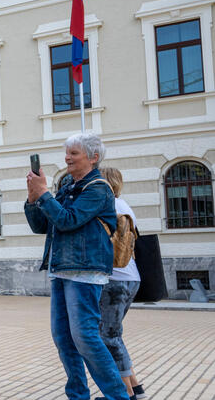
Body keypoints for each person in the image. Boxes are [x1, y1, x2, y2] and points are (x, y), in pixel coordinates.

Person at [25, 133, 130, 400]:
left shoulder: (98, 188)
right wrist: (33, 198)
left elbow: (68, 220)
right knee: (63, 337)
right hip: (61, 268)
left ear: (93, 158)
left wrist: (45, 194)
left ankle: (118, 396)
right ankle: (77, 394)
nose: (67, 158)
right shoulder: (68, 187)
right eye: (67, 152)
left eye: (74, 153)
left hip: (85, 271)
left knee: (85, 338)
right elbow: (43, 226)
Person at [98, 167, 146, 400]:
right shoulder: (125, 205)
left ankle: (126, 394)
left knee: (108, 336)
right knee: (113, 334)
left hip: (114, 280)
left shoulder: (109, 207)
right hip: (131, 278)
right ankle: (136, 388)